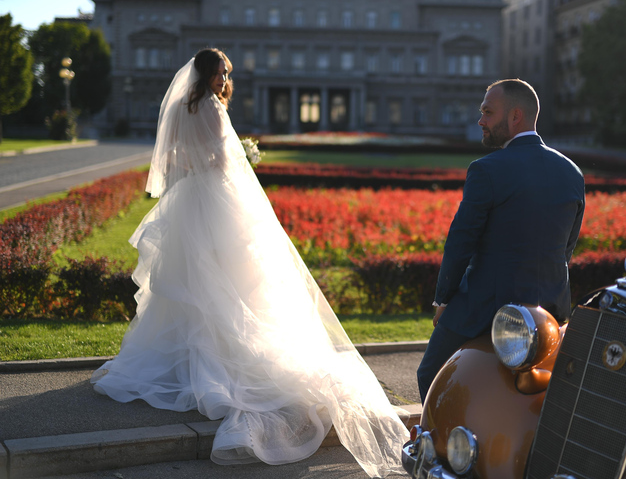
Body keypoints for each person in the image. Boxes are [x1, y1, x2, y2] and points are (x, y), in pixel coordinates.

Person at [91, 49, 408, 477]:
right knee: (234, 280)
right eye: (221, 72)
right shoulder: (213, 108)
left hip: (189, 202)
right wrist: (241, 155)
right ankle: (219, 363)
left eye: (227, 73)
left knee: (194, 284)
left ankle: (180, 363)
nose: (225, 79)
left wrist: (219, 157)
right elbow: (222, 161)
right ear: (206, 75)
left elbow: (174, 160)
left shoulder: (185, 109)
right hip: (218, 200)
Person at [416, 79, 585, 402]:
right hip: (550, 309)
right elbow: (566, 248)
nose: (480, 120)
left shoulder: (486, 170)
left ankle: (442, 448)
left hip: (488, 308)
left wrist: (443, 301)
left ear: (515, 117)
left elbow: (460, 243)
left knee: (432, 374)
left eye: (488, 112)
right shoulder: (572, 172)